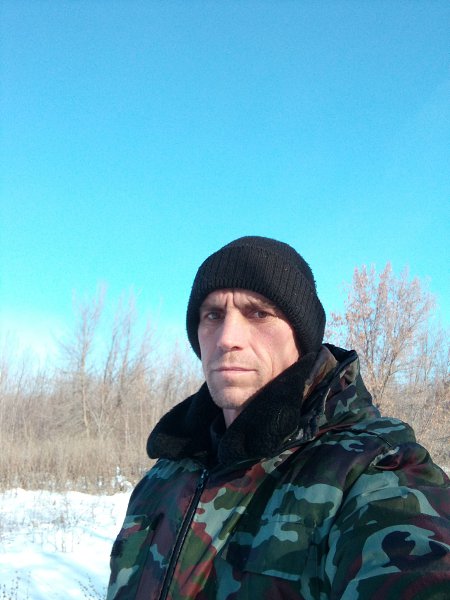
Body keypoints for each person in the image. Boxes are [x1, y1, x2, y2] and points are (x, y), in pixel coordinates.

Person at [107, 236, 450, 600]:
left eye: (258, 313)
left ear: (301, 338)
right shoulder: (163, 476)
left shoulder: (371, 468)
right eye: (213, 315)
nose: (226, 338)